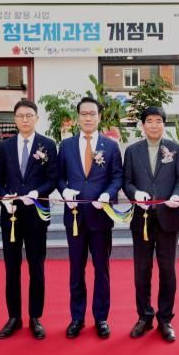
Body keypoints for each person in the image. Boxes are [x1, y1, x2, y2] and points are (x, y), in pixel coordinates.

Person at [58, 96, 123, 339]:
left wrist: (107, 194)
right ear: (78, 117)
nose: (87, 118)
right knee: (76, 270)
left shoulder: (111, 146)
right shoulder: (66, 146)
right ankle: (77, 317)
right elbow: (58, 176)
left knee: (101, 270)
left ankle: (101, 317)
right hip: (75, 217)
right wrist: (64, 191)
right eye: (83, 114)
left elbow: (117, 177)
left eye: (92, 113)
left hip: (100, 217)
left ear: (99, 117)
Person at [122, 106, 179, 342]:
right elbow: (126, 181)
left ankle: (165, 319)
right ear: (143, 125)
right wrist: (135, 194)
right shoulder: (132, 151)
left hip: (168, 218)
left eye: (158, 120)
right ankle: (144, 316)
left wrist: (177, 195)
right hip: (142, 220)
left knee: (168, 270)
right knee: (142, 271)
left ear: (163, 124)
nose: (153, 125)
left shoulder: (175, 149)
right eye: (149, 120)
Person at [0, 100, 58, 339]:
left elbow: (53, 178)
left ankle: (35, 317)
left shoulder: (47, 145)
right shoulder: (4, 146)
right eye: (20, 116)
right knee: (12, 268)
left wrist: (37, 192)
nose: (24, 119)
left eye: (29, 115)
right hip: (10, 215)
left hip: (36, 214)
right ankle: (14, 317)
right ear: (14, 119)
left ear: (36, 118)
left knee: (36, 267)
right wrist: (3, 196)